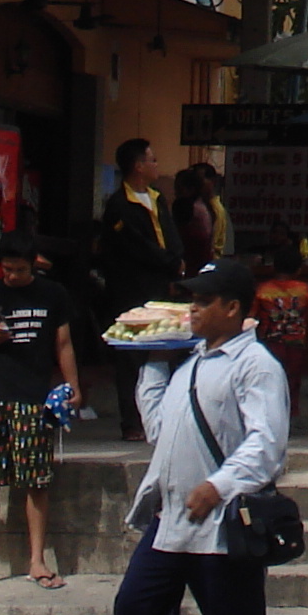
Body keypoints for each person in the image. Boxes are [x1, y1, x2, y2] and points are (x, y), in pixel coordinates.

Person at [114, 258, 289, 615]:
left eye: (203, 300)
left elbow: (266, 443)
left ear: (232, 308)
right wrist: (151, 357)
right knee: (136, 610)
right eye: (191, 300)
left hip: (223, 529)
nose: (192, 309)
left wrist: (219, 484)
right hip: (171, 523)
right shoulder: (190, 361)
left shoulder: (255, 366)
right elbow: (159, 428)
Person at [0, 230, 80, 594]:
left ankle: (38, 561)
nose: (12, 276)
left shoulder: (53, 295)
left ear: (35, 265)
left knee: (36, 482)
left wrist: (73, 386)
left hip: (33, 397)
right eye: (7, 269)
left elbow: (64, 343)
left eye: (20, 270)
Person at [98, 138, 182, 443]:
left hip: (161, 285)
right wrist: (165, 260)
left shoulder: (158, 199)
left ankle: (161, 416)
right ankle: (131, 421)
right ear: (138, 166)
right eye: (152, 159)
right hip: (132, 289)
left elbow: (170, 235)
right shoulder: (119, 205)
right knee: (130, 357)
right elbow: (135, 245)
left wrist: (176, 260)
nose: (156, 165)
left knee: (162, 351)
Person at [250, 241, 308, 420]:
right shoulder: (306, 291)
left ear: (273, 267)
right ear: (299, 269)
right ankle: (290, 414)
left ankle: (269, 414)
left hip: (268, 344)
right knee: (292, 380)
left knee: (269, 380)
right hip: (296, 343)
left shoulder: (262, 290)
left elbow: (251, 318)